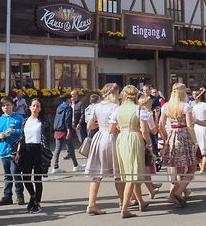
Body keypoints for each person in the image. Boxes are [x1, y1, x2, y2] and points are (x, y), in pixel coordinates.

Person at [112, 85, 151, 218]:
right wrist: (149, 144)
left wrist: (120, 127)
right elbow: (144, 130)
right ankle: (125, 208)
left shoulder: (118, 109)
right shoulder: (139, 109)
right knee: (132, 173)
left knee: (129, 172)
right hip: (134, 137)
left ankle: (140, 202)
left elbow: (112, 128)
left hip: (121, 138)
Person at [159, 82, 199, 207]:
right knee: (192, 168)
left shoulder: (166, 106)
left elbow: (160, 125)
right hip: (184, 136)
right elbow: (189, 125)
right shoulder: (185, 106)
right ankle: (179, 191)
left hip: (172, 135)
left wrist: (166, 138)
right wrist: (195, 141)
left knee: (178, 168)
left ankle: (177, 194)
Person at [84, 85, 121, 215]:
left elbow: (90, 125)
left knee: (97, 174)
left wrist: (100, 124)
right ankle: (122, 201)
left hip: (99, 137)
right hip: (112, 138)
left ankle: (91, 204)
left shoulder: (96, 106)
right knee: (118, 173)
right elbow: (116, 126)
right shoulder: (115, 107)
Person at [18, 98, 51, 213]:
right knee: (26, 177)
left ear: (41, 109)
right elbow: (21, 138)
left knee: (37, 179)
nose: (35, 108)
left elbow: (47, 140)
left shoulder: (44, 123)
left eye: (38, 106)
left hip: (38, 151)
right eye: (33, 106)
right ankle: (33, 196)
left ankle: (37, 202)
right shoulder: (25, 121)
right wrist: (18, 152)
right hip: (26, 150)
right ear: (30, 107)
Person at [0, 97, 25, 207]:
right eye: (3, 106)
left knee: (15, 173)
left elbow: (24, 132)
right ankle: (7, 196)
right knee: (7, 175)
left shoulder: (19, 118)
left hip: (15, 151)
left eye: (8, 105)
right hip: (3, 151)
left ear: (13, 106)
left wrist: (15, 131)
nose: (6, 107)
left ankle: (19, 194)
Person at [137, 94, 163, 198]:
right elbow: (154, 130)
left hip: (134, 139)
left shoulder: (136, 112)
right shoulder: (147, 114)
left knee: (142, 167)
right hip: (145, 140)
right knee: (146, 166)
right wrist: (156, 117)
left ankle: (151, 187)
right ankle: (150, 189)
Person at [51, 92, 81, 174]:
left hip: (58, 129)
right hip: (64, 130)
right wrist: (68, 130)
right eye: (70, 98)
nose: (71, 99)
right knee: (71, 147)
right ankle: (75, 165)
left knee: (57, 149)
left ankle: (55, 166)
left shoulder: (59, 107)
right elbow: (67, 119)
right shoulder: (68, 108)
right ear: (68, 99)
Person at [191, 88, 206, 176]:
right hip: (204, 126)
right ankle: (203, 168)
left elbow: (193, 117)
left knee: (200, 149)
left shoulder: (195, 106)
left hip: (196, 127)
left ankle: (202, 168)